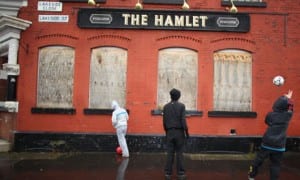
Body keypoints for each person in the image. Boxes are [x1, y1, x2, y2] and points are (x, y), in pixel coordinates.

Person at [248, 90, 294, 180]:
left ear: (276, 104)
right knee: (275, 165)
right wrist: (289, 99)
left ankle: (251, 175)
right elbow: (291, 108)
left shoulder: (271, 115)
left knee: (258, 161)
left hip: (267, 143)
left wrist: (286, 98)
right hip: (279, 145)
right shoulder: (288, 115)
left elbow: (267, 122)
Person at [163, 88, 189, 180]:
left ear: (171, 96)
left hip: (169, 132)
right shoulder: (182, 106)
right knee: (179, 153)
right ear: (179, 96)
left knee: (170, 153)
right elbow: (183, 120)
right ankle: (181, 173)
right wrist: (186, 132)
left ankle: (168, 173)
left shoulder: (166, 107)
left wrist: (167, 132)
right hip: (179, 132)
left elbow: (164, 121)